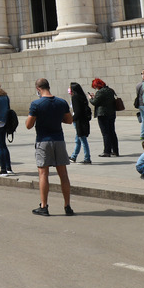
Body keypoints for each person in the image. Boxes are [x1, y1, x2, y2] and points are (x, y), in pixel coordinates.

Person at [26, 78, 74, 216]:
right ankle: (67, 206)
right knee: (63, 174)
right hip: (59, 140)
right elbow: (69, 120)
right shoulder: (61, 102)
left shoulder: (36, 104)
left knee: (43, 174)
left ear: (38, 89)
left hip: (43, 140)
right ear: (49, 86)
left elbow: (28, 125)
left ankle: (44, 206)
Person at [89, 78, 120, 157]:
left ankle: (107, 151)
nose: (95, 88)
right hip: (111, 113)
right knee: (112, 132)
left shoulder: (100, 92)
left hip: (102, 114)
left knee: (105, 133)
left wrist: (91, 98)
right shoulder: (110, 90)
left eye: (95, 87)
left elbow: (95, 102)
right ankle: (115, 150)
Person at [69, 82, 91, 164]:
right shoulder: (83, 97)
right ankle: (74, 156)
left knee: (82, 139)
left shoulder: (75, 97)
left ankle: (87, 158)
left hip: (79, 122)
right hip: (84, 120)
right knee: (78, 139)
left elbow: (77, 111)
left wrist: (72, 119)